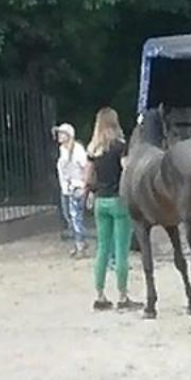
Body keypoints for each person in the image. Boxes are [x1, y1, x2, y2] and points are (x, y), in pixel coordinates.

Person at [85, 106, 140, 312]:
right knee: (121, 251)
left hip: (101, 201)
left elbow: (88, 177)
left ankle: (100, 295)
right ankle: (123, 296)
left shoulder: (93, 149)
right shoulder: (120, 147)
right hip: (119, 200)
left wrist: (91, 191)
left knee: (102, 249)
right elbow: (127, 172)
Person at [53, 122, 89, 258]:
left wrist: (84, 185)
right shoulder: (63, 149)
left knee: (75, 217)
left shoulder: (78, 149)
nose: (59, 136)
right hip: (66, 188)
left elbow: (85, 167)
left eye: (62, 133)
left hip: (76, 186)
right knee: (69, 216)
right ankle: (79, 241)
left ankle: (80, 245)